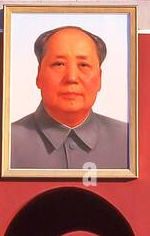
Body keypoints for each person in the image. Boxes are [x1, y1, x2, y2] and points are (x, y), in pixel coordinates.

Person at [9, 26, 129, 170]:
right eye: (59, 64)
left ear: (99, 78)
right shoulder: (8, 141)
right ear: (39, 75)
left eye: (83, 65)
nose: (71, 77)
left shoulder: (128, 140)